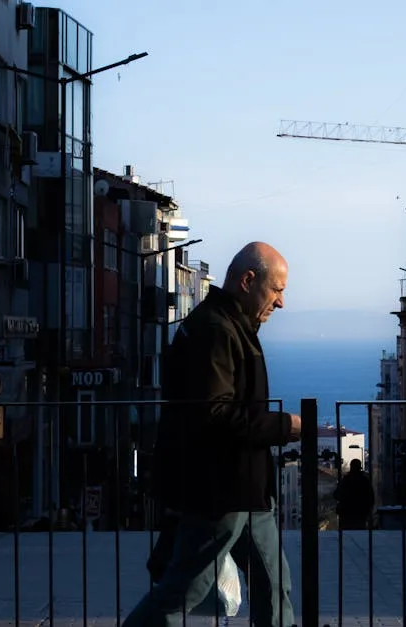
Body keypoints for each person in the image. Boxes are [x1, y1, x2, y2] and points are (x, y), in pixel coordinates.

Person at [125, 242, 301, 627]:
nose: (281, 302)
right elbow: (216, 414)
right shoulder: (215, 330)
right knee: (184, 591)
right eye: (277, 289)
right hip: (221, 489)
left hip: (246, 490)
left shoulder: (229, 324)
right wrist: (285, 426)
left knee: (274, 586)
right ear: (248, 280)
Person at [333, 459, 375, 530]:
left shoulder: (345, 480)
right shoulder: (364, 480)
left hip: (346, 515)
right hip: (360, 514)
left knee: (345, 537)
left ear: (351, 467)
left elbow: (336, 495)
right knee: (359, 535)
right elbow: (371, 498)